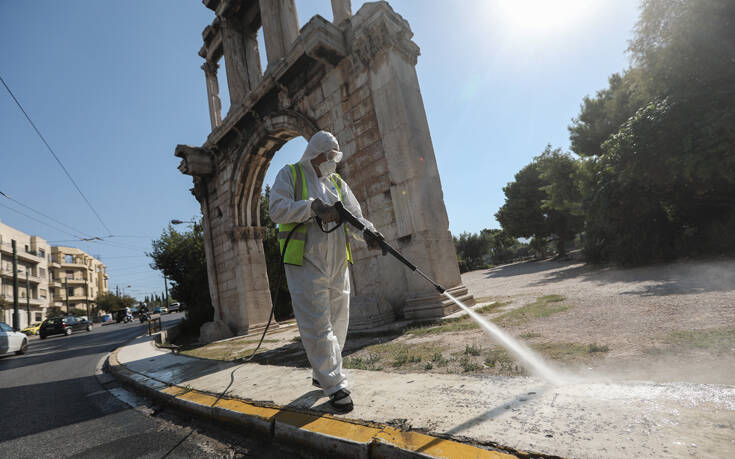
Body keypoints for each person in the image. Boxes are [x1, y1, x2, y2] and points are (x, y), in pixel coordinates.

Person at [269, 131, 381, 412]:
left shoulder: (337, 182)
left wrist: (369, 233)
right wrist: (312, 208)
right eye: (330, 156)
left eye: (336, 156)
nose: (333, 161)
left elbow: (354, 215)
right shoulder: (290, 174)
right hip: (305, 262)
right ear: (315, 153)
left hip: (337, 263)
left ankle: (323, 374)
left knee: (339, 321)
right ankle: (335, 385)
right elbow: (277, 209)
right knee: (317, 325)